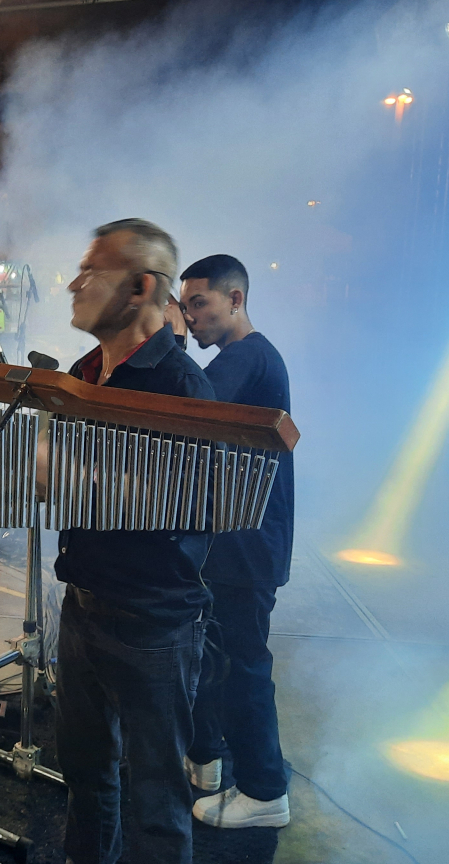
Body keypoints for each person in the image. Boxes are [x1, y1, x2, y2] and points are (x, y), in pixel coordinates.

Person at [4, 219, 214, 864]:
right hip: (84, 603)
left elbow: (190, 507)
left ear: (141, 287)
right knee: (88, 774)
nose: (74, 282)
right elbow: (60, 478)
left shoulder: (183, 387)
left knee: (159, 799)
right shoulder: (86, 372)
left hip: (155, 621)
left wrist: (59, 470)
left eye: (92, 269)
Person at [173, 254, 294, 829]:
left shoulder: (247, 357)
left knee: (243, 667)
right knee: (219, 660)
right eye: (184, 306)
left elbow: (186, 413)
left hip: (249, 543)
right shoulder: (243, 358)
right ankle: (209, 763)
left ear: (236, 299)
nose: (191, 317)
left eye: (199, 303)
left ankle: (265, 792)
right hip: (237, 539)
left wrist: (170, 344)